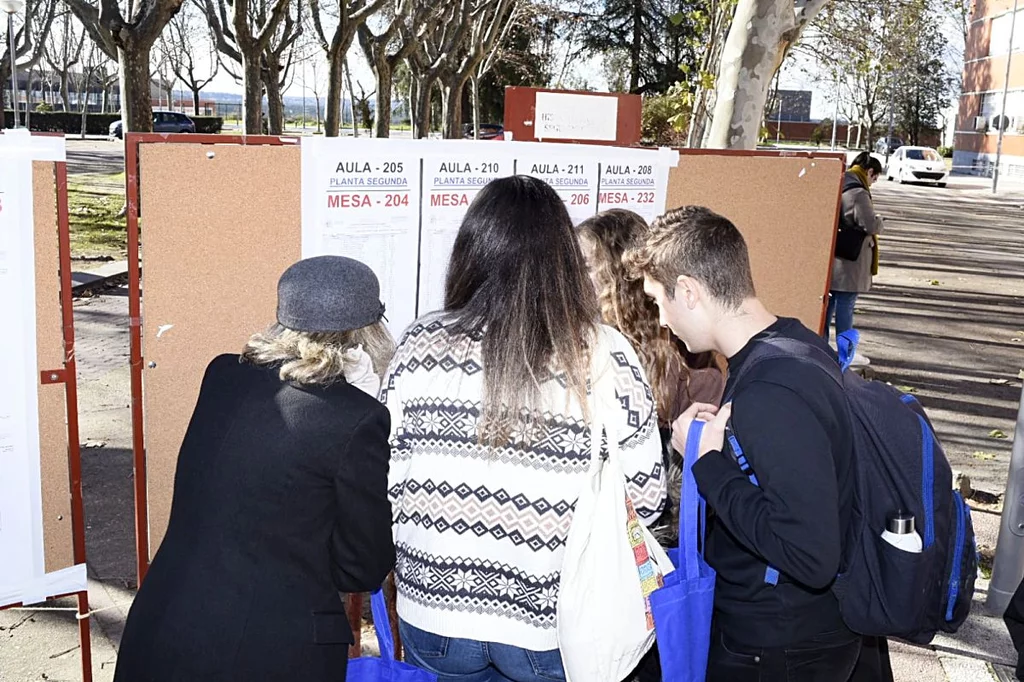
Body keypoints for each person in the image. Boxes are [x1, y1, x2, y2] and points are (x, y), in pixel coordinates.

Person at [382, 176, 667, 682]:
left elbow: (388, 475)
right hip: (555, 620)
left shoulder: (419, 344)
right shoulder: (607, 354)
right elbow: (646, 498)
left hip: (435, 609)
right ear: (561, 260)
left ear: (472, 251)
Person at [114, 256, 397, 682]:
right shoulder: (357, 419)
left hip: (165, 623)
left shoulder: (223, 375)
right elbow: (362, 566)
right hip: (268, 650)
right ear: (365, 333)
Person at [625, 206, 861, 682]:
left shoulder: (771, 391)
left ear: (689, 292)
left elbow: (810, 556)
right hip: (789, 633)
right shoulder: (792, 344)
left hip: (777, 647)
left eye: (658, 301)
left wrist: (707, 464)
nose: (660, 319)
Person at [577, 208, 725, 549]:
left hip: (639, 536)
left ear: (616, 276)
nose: (570, 277)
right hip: (621, 527)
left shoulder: (683, 354)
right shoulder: (580, 342)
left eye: (584, 267)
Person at [828, 151, 884, 366]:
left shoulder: (841, 181)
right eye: (875, 177)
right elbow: (869, 224)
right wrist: (880, 221)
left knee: (830, 307)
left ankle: (823, 347)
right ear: (869, 171)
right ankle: (846, 355)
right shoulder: (858, 192)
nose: (874, 181)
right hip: (849, 263)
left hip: (836, 257)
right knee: (845, 307)